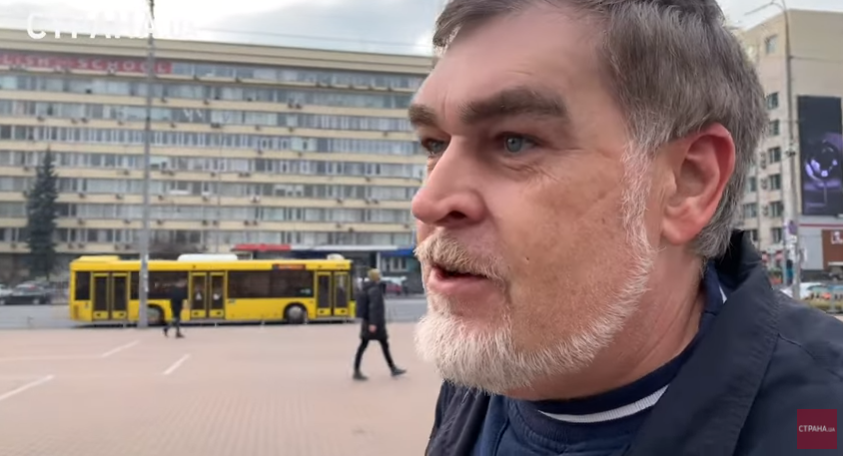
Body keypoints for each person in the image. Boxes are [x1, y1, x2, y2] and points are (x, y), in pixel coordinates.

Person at [410, 1, 843, 455]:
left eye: (514, 143)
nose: (429, 201)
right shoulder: (484, 372)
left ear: (688, 183)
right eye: (435, 144)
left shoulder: (821, 421)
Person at [352, 269, 406, 380]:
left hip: (368, 322)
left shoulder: (367, 288)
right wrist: (373, 323)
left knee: (372, 345)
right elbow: (374, 308)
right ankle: (392, 369)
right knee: (372, 346)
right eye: (378, 275)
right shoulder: (375, 290)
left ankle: (392, 368)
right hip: (375, 324)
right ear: (376, 277)